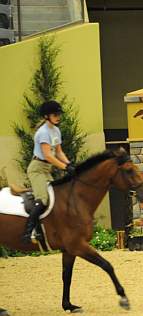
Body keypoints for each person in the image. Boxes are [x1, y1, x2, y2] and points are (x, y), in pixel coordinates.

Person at [22, 100, 75, 243]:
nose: (58, 117)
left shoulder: (55, 130)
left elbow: (59, 152)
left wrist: (70, 164)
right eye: (55, 114)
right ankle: (29, 232)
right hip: (37, 169)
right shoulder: (43, 133)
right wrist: (64, 167)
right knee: (43, 199)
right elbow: (48, 155)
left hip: (46, 169)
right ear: (46, 116)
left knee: (56, 198)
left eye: (59, 114)